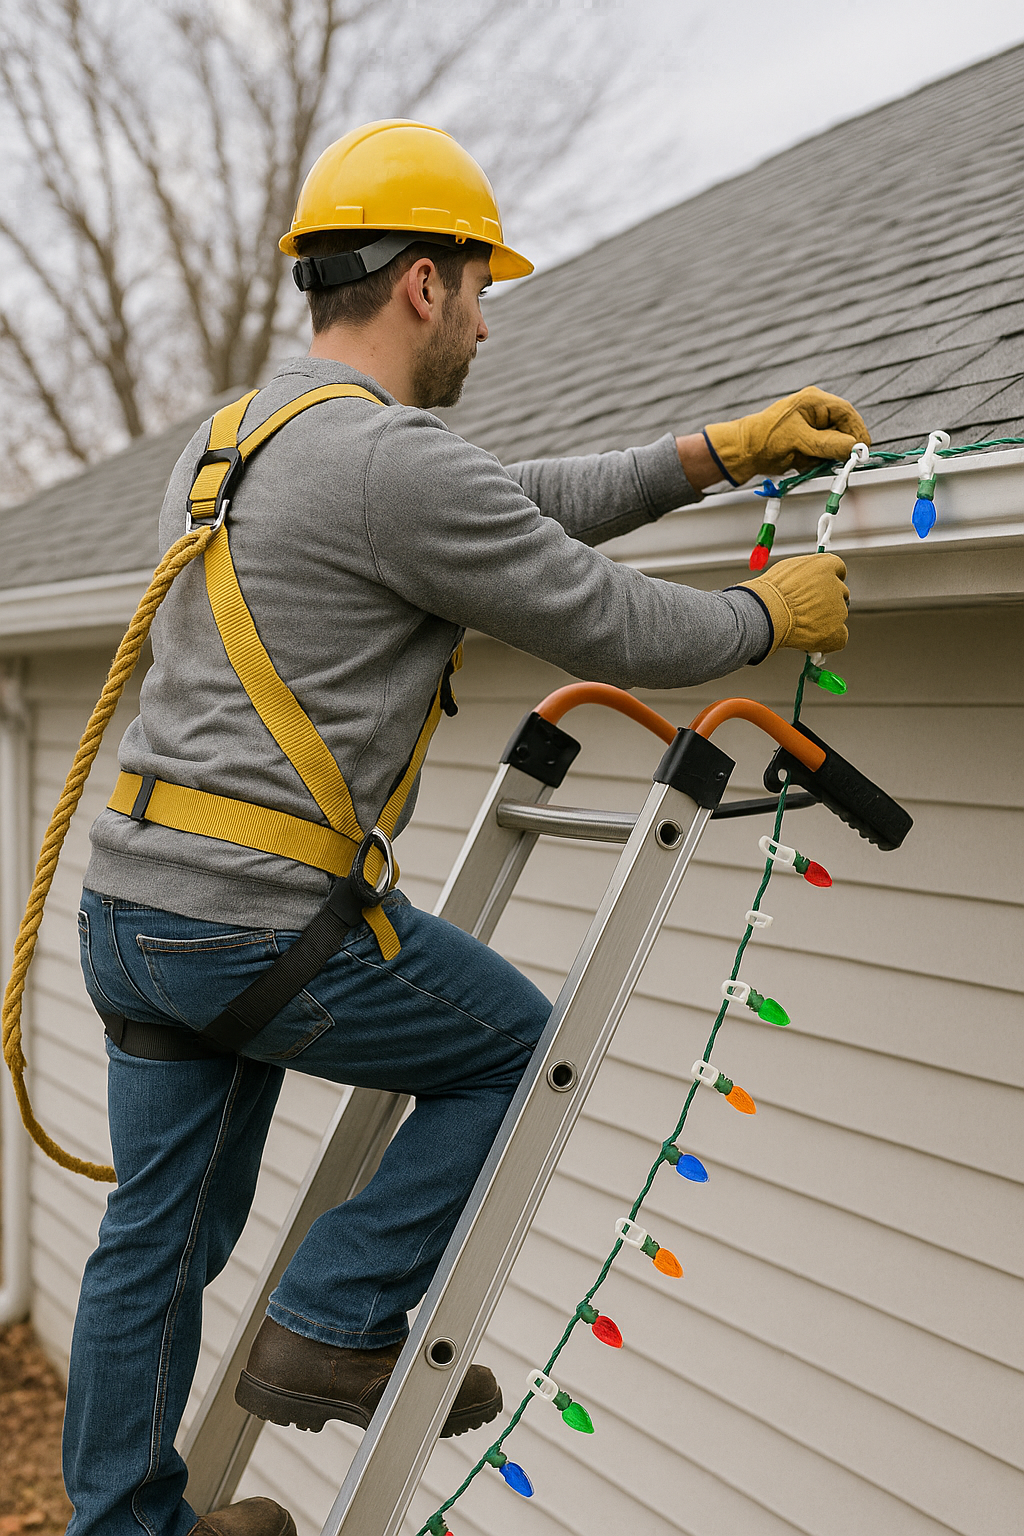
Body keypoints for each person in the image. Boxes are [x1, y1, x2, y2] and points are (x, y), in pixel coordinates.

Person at [62, 120, 868, 1536]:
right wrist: (762, 616)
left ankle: (127, 1525)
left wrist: (710, 454)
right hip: (247, 926)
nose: (488, 324)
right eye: (482, 288)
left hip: (134, 915)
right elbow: (604, 614)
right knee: (522, 1050)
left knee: (155, 1242)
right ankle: (335, 1318)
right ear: (423, 282)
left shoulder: (247, 432)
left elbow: (508, 507)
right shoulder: (391, 469)